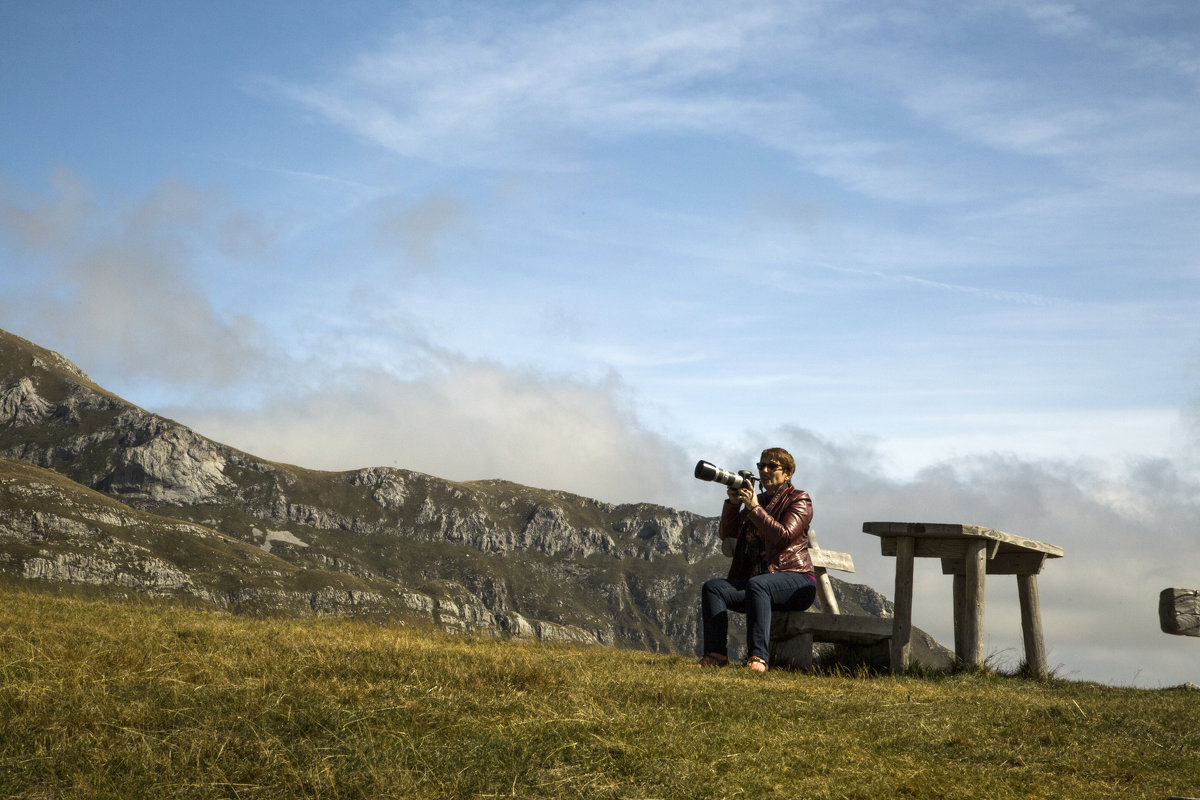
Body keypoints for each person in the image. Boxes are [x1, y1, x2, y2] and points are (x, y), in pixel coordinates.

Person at [694, 447, 816, 673]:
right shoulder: (758, 502)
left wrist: (754, 508)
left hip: (798, 581)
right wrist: (733, 504)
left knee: (758, 584)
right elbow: (728, 534)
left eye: (772, 466)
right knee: (714, 588)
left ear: (787, 473)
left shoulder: (799, 499)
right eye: (762, 466)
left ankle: (758, 658)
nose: (765, 470)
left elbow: (783, 536)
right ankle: (716, 654)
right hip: (760, 586)